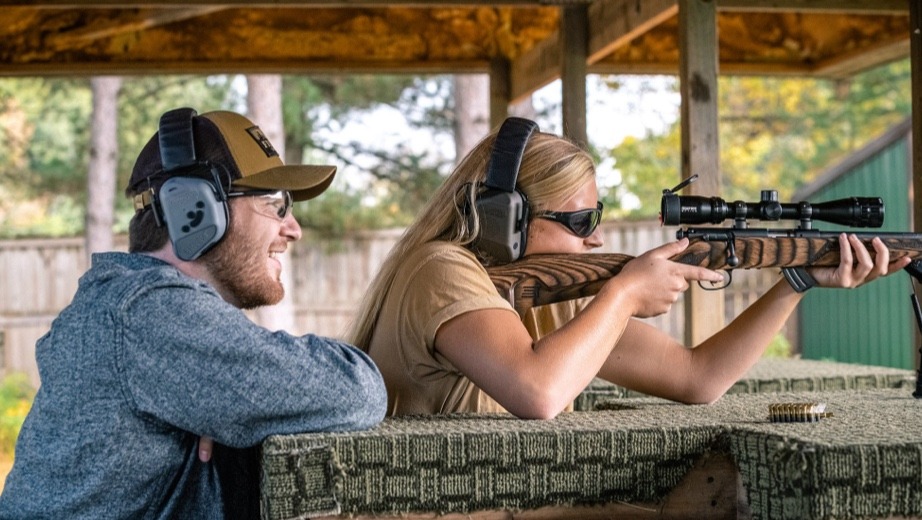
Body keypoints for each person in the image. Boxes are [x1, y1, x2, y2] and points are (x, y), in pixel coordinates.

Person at [348, 117, 907, 420]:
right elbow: (537, 394)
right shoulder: (440, 269)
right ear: (504, 219)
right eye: (579, 218)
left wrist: (797, 280)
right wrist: (623, 295)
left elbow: (697, 379)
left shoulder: (547, 294)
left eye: (598, 214)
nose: (595, 236)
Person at [0, 108, 387, 519]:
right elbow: (358, 391)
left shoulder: (130, 308)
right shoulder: (150, 312)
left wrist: (230, 414)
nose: (293, 228)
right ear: (196, 209)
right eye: (275, 203)